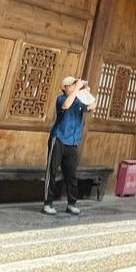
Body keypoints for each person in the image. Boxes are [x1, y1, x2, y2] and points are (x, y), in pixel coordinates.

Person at [43, 76, 93, 215]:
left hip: (72, 142)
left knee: (71, 174)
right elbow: (66, 105)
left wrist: (87, 94)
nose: (74, 86)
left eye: (74, 84)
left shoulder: (79, 100)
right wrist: (77, 90)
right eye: (71, 85)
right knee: (52, 172)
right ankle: (48, 203)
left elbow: (91, 106)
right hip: (58, 139)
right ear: (64, 88)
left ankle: (71, 203)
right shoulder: (61, 99)